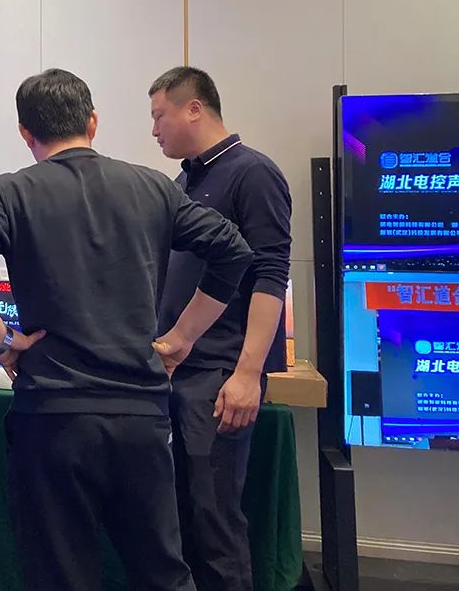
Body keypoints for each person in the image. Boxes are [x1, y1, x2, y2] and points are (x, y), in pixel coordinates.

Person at [0, 68, 254, 591]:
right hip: (141, 416)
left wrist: (3, 342)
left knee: (61, 576)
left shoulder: (13, 191)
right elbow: (234, 252)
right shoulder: (153, 187)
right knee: (163, 574)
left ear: (25, 133)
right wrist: (181, 338)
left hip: (51, 416)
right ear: (93, 122)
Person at [150, 66, 292, 591]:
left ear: (194, 108)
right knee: (181, 521)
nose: (154, 130)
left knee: (215, 524)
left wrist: (248, 373)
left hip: (219, 375)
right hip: (176, 371)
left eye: (159, 115)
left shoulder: (253, 173)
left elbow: (270, 274)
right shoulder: (182, 181)